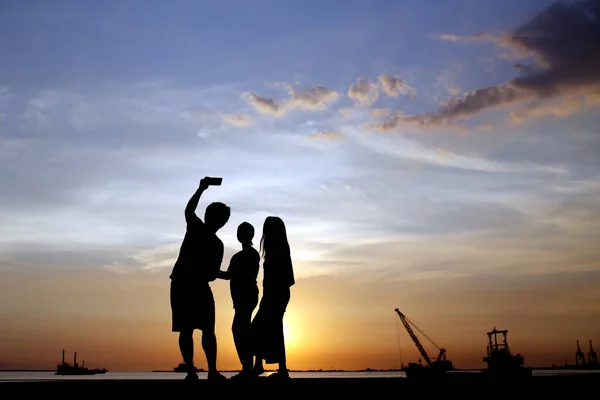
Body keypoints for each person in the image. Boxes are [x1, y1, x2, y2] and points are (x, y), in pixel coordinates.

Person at [169, 177, 230, 381]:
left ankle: (193, 372)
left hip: (183, 284)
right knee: (204, 330)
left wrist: (201, 189)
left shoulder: (198, 229)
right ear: (222, 222)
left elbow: (188, 211)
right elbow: (212, 274)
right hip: (191, 285)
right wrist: (201, 189)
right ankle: (208, 371)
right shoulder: (214, 242)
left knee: (190, 330)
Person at [251, 216, 295, 380]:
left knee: (265, 328)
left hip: (276, 294)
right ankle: (259, 365)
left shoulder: (279, 251)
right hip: (273, 294)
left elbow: (286, 279)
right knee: (263, 328)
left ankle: (280, 369)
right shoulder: (275, 250)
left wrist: (271, 296)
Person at [217, 222, 260, 380]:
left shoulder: (245, 256)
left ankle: (247, 367)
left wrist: (212, 272)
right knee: (242, 330)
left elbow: (231, 275)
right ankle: (249, 366)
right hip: (244, 296)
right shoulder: (246, 255)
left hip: (246, 296)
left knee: (239, 330)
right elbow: (229, 275)